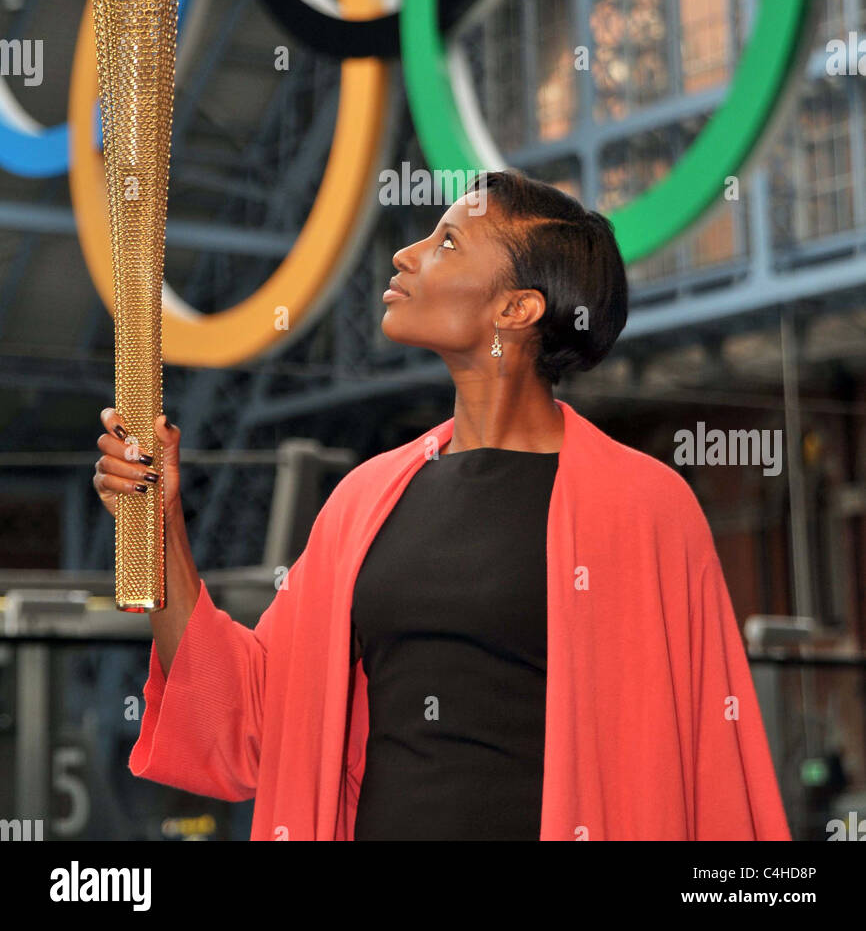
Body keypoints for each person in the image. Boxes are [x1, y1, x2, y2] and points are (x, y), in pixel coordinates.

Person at [94, 168, 791, 840]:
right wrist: (159, 531)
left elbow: (714, 768)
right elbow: (248, 716)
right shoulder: (365, 501)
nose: (405, 254)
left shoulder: (644, 507)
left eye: (448, 242)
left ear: (516, 309)